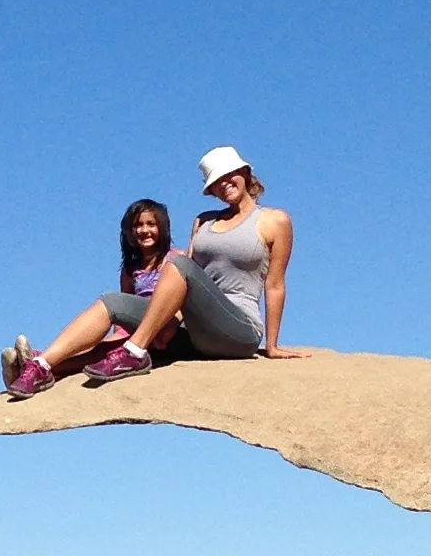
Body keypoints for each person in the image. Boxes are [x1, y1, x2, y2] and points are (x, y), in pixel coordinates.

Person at [85, 147, 297, 382]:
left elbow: (275, 284)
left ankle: (135, 352)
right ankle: (46, 365)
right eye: (216, 181)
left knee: (179, 263)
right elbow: (184, 283)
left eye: (228, 175)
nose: (224, 184)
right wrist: (168, 324)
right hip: (196, 331)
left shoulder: (274, 220)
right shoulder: (204, 221)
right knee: (113, 302)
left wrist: (272, 346)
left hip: (239, 330)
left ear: (244, 173)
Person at [1, 199, 179, 399]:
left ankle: (35, 363)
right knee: (103, 349)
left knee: (110, 310)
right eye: (137, 225)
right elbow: (124, 313)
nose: (144, 230)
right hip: (137, 328)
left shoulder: (176, 259)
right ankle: (38, 368)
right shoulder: (130, 270)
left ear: (162, 227)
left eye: (151, 224)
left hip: (164, 328)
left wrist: (171, 325)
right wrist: (111, 343)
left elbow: (182, 297)